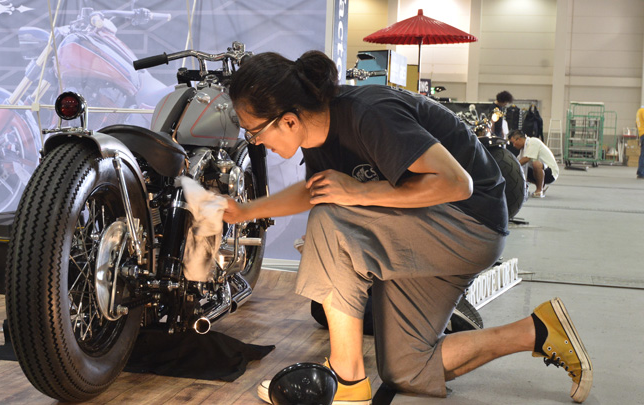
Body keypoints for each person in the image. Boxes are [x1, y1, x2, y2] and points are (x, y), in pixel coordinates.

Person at [223, 51, 592, 404]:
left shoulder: (369, 114)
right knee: (406, 370)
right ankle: (538, 330)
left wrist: (359, 192)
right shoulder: (318, 134)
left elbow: (456, 183)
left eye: (254, 132)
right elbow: (314, 190)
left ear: (289, 120)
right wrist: (242, 211)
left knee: (329, 221)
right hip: (433, 229)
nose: (257, 143)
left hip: (469, 221)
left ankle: (346, 379)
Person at [508, 129, 560, 198]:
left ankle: (539, 190)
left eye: (513, 142)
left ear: (519, 139)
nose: (513, 145)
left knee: (536, 164)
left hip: (551, 173)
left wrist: (511, 167)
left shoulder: (533, 142)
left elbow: (526, 159)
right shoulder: (523, 150)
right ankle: (540, 185)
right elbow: (518, 162)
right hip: (543, 171)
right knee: (519, 170)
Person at [637, 104, 644, 179]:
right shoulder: (643, 111)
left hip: (641, 134)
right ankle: (641, 172)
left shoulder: (639, 111)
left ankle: (640, 171)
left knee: (642, 154)